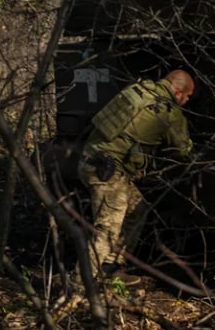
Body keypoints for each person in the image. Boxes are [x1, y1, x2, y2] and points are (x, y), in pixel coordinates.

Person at [78, 69, 195, 279]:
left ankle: (110, 269)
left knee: (137, 209)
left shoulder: (138, 89)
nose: (186, 101)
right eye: (187, 97)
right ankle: (81, 285)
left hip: (91, 160)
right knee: (106, 231)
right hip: (109, 172)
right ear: (178, 93)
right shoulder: (170, 112)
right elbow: (183, 150)